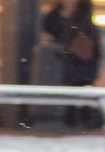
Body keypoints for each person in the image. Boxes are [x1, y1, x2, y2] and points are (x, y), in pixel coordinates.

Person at [43, 0, 101, 128]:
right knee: (74, 90)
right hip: (74, 61)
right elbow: (51, 27)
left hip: (81, 61)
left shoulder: (83, 17)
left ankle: (82, 120)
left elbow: (87, 39)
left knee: (82, 90)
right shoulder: (59, 15)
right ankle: (75, 120)